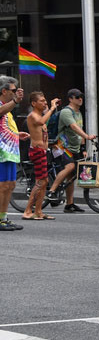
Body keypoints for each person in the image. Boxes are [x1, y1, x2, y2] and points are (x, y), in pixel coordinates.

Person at [46, 88, 96, 215]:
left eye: (81, 97)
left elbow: (79, 131)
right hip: (61, 146)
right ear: (70, 99)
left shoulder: (78, 113)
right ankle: (51, 191)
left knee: (71, 176)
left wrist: (83, 148)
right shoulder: (66, 112)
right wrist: (87, 136)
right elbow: (74, 127)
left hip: (74, 147)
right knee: (70, 166)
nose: (80, 99)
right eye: (77, 97)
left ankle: (69, 204)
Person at [21, 91, 58, 221]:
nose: (45, 102)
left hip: (42, 151)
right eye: (42, 101)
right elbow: (41, 122)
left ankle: (38, 211)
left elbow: (39, 132)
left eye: (45, 100)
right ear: (33, 103)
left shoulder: (39, 115)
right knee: (41, 181)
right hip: (37, 152)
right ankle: (27, 211)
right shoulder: (33, 116)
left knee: (45, 181)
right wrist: (52, 108)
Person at [0, 78, 29, 230]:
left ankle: (3, 218)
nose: (15, 92)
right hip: (2, 153)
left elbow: (4, 128)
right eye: (13, 90)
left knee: (10, 185)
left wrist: (17, 134)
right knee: (3, 186)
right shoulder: (4, 107)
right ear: (4, 91)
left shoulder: (8, 109)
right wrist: (16, 101)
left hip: (10, 152)